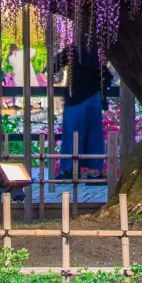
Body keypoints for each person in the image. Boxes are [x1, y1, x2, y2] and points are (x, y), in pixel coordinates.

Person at [55, 39, 109, 179]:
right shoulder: (97, 50)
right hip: (94, 97)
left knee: (73, 134)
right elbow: (106, 75)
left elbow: (54, 65)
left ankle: (70, 170)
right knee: (94, 134)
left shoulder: (73, 49)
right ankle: (94, 171)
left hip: (77, 98)